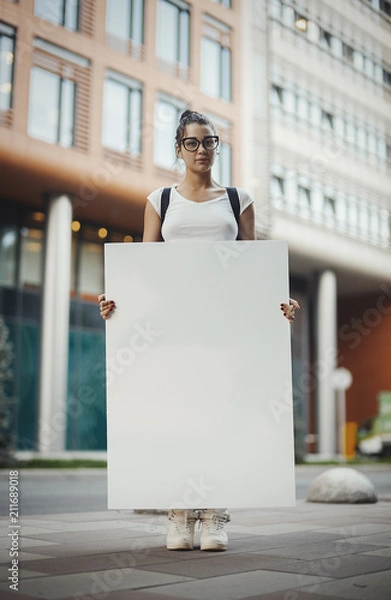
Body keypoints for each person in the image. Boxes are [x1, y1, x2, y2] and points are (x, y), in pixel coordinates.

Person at [98, 110, 300, 552]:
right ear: (178, 149)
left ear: (216, 147)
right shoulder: (160, 201)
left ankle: (214, 515)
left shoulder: (237, 200)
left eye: (209, 142)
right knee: (177, 415)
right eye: (192, 143)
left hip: (225, 327)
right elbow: (145, 269)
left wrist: (279, 304)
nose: (202, 150)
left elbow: (254, 267)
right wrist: (118, 304)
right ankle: (179, 515)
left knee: (217, 415)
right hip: (172, 328)